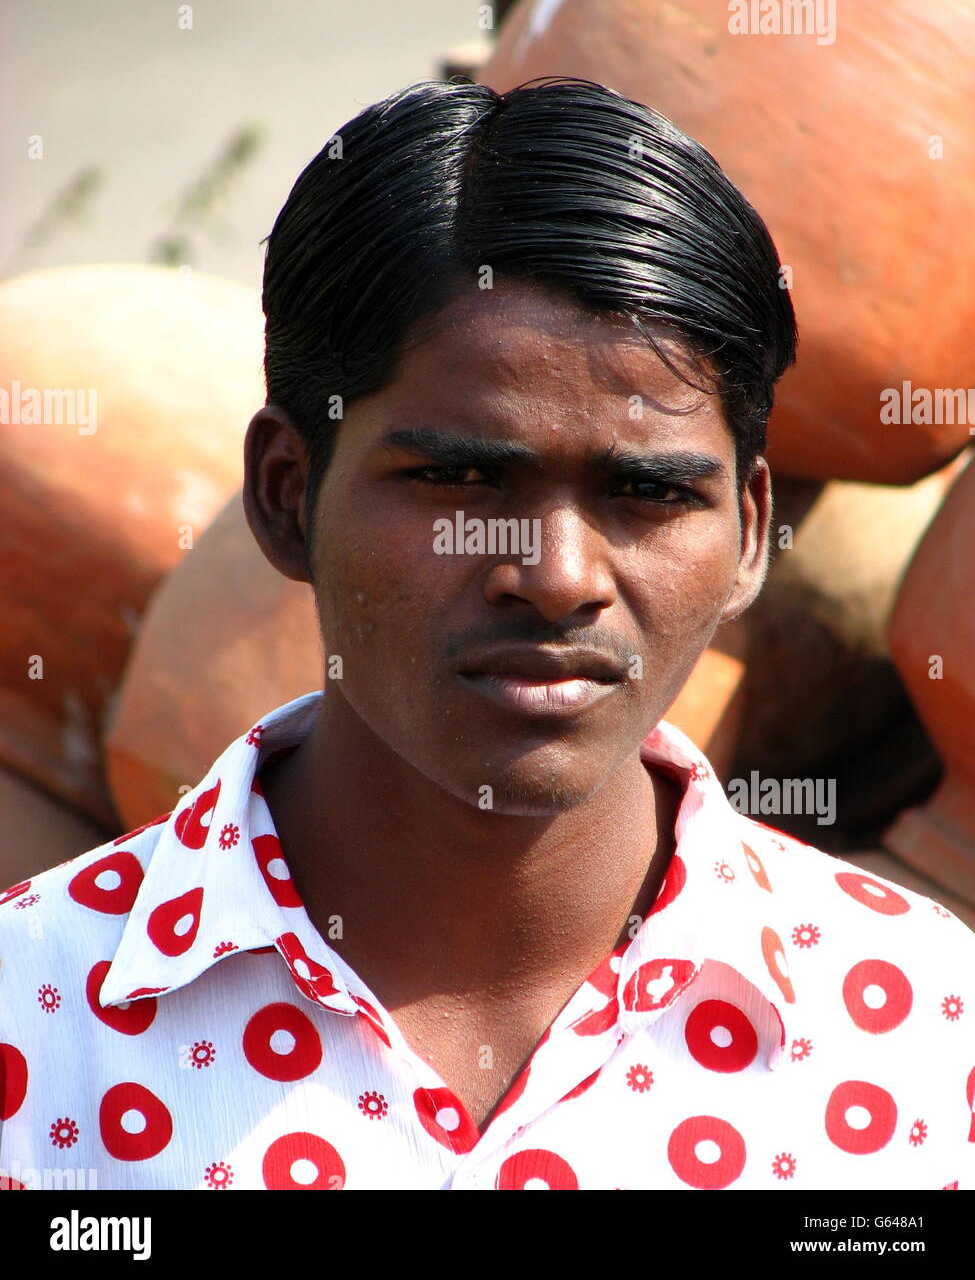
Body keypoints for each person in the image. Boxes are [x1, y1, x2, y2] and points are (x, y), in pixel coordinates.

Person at [1, 78, 971, 1192]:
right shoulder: (35, 1024)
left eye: (648, 493)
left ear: (750, 534)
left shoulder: (920, 1036)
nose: (557, 579)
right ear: (285, 497)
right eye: (459, 477)